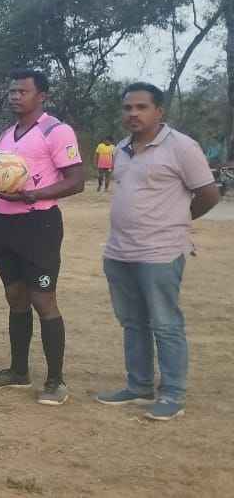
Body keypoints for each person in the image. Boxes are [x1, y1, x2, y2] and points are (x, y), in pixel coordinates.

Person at [94, 82, 219, 421]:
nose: (133, 113)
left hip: (161, 252)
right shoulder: (121, 149)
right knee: (133, 322)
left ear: (159, 111)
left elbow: (209, 194)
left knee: (165, 323)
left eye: (141, 107)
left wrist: (177, 220)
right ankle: (139, 386)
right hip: (120, 251)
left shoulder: (182, 147)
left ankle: (173, 393)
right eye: (128, 108)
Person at [0, 70, 84, 404]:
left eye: (22, 91)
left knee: (43, 299)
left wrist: (35, 195)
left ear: (42, 96)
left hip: (39, 225)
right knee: (15, 296)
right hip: (7, 227)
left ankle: (55, 381)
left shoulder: (56, 131)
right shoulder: (6, 135)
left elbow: (76, 180)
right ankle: (18, 370)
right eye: (12, 91)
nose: (15, 96)